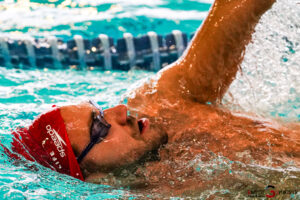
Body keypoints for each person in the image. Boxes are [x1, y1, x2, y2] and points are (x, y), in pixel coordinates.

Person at [6, 0, 300, 195]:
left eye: (99, 109)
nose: (120, 110)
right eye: (99, 127)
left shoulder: (166, 101)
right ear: (93, 179)